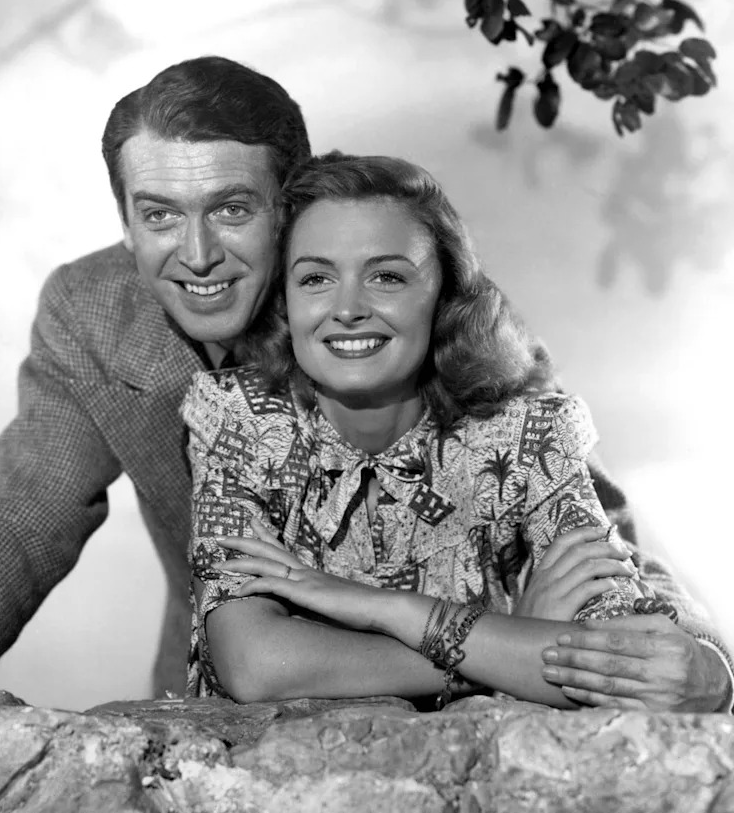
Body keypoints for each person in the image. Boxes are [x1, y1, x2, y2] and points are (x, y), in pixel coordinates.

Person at [0, 58, 730, 719]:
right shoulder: (93, 313)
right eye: (158, 215)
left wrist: (699, 663)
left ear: (293, 201)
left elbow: (590, 517)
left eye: (232, 210)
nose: (195, 257)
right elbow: (27, 515)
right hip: (254, 697)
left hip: (495, 716)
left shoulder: (401, 298)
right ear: (124, 218)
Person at [184, 152, 732, 710]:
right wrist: (502, 637)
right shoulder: (239, 421)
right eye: (317, 278)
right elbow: (255, 666)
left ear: (445, 298)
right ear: (286, 301)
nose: (347, 308)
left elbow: (626, 664)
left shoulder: (527, 437)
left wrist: (387, 609)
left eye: (387, 276)